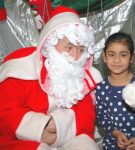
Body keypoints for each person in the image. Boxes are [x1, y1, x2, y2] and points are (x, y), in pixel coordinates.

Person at [0, 6, 102, 150]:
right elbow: (5, 111)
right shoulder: (20, 67)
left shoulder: (83, 76)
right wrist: (42, 128)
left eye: (81, 50)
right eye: (69, 48)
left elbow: (86, 118)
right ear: (51, 44)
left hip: (68, 136)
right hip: (22, 140)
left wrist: (56, 125)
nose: (75, 56)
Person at [96, 32, 135, 150]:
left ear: (132, 58)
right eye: (112, 55)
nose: (117, 60)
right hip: (113, 143)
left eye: (123, 55)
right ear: (104, 57)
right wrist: (116, 133)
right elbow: (102, 117)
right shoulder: (100, 88)